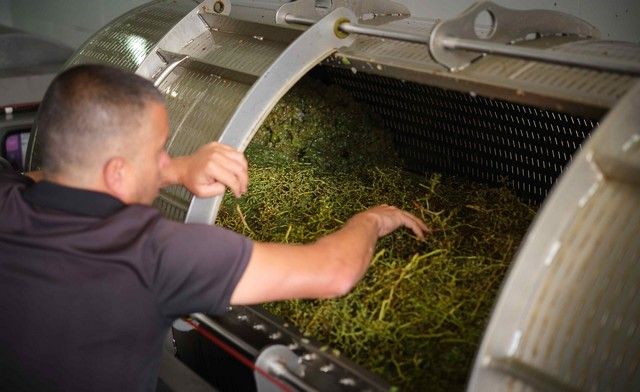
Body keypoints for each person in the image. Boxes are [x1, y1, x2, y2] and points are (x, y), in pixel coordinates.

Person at [0, 65, 428, 391]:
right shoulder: (155, 252)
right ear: (117, 172)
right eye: (159, 152)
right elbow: (334, 272)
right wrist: (373, 219)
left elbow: (39, 179)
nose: (166, 162)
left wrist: (178, 170)